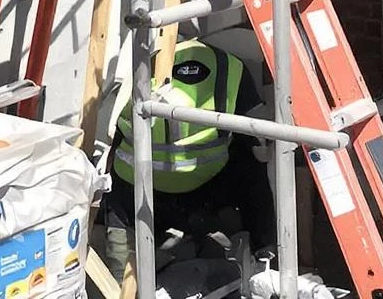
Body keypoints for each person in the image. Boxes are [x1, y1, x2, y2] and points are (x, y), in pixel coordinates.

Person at [101, 38, 276, 274]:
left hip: (141, 194)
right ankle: (263, 252)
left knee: (108, 176)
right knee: (254, 160)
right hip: (205, 191)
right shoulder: (230, 67)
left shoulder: (129, 70)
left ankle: (120, 268)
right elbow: (261, 140)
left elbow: (107, 137)